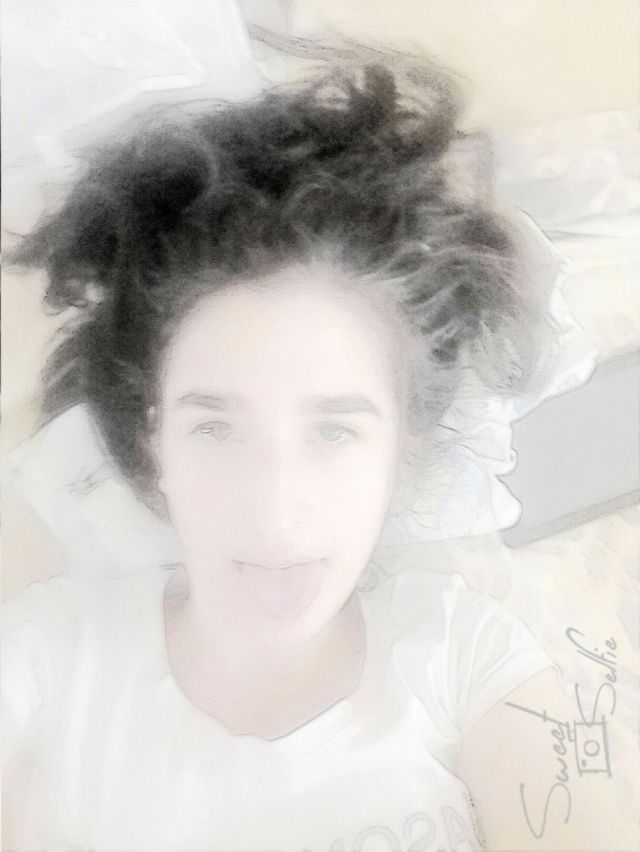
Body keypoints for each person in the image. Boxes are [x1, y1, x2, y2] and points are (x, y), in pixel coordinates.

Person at [2, 39, 612, 852]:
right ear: (153, 442)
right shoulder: (42, 660)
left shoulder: (467, 658)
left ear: (404, 447)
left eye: (333, 431)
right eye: (215, 428)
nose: (274, 508)